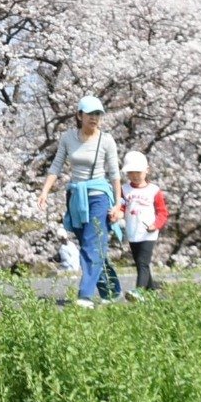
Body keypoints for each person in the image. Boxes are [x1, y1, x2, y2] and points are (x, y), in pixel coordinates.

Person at [40, 95, 124, 308]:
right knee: (91, 245)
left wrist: (118, 204)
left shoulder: (106, 140)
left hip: (99, 196)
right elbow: (57, 165)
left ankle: (84, 295)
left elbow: (114, 174)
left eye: (98, 114)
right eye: (90, 114)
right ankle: (112, 290)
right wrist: (44, 193)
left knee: (91, 244)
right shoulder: (68, 138)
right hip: (76, 196)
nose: (95, 118)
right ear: (79, 115)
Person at [119, 150, 169, 300]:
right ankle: (153, 289)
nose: (134, 175)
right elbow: (121, 207)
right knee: (140, 263)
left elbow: (162, 212)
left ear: (146, 170)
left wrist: (156, 225)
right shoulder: (124, 189)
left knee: (143, 262)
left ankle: (138, 292)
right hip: (132, 231)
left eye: (138, 172)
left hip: (148, 231)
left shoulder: (154, 190)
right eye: (130, 172)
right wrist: (118, 214)